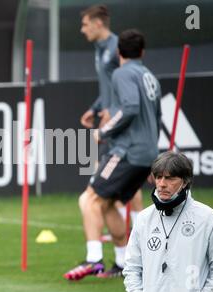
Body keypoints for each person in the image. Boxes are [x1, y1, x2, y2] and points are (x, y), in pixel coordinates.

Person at [64, 29, 162, 280]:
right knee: (108, 203)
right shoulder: (149, 76)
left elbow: (129, 108)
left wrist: (103, 131)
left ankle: (94, 259)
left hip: (126, 151)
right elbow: (156, 118)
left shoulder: (122, 73)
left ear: (119, 52)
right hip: (146, 154)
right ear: (142, 52)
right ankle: (122, 264)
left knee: (89, 200)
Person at [123, 151, 213, 292]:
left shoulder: (208, 218)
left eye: (170, 178)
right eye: (158, 177)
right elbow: (132, 268)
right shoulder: (143, 219)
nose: (162, 184)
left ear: (185, 181)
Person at [79, 5, 143, 238]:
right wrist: (95, 108)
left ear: (98, 23)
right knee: (115, 177)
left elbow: (129, 84)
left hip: (119, 123)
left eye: (85, 24)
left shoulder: (117, 47)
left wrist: (113, 111)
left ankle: (140, 229)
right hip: (109, 118)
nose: (82, 29)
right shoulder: (100, 49)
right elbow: (110, 86)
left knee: (125, 175)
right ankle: (130, 230)